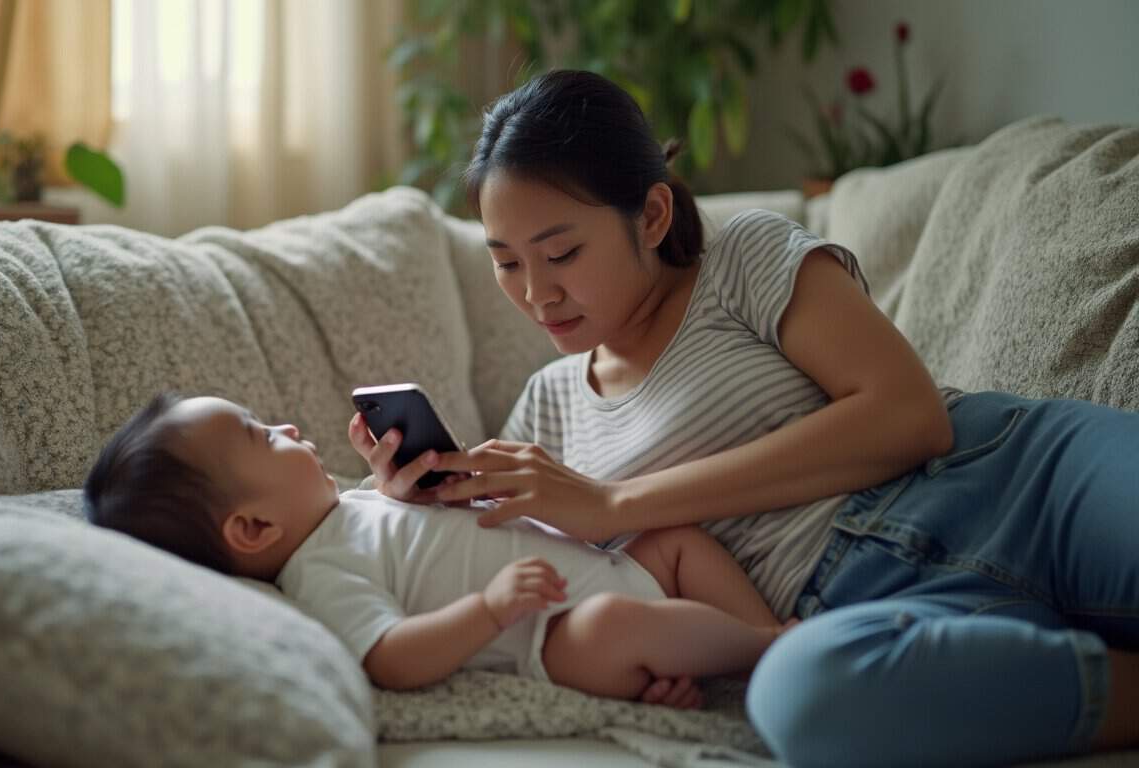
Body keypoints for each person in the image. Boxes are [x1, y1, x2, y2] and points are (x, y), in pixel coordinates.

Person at [346, 69, 1139, 766]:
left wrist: (615, 503)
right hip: (854, 613)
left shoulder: (742, 259)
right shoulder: (543, 414)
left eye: (562, 254)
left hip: (1011, 478)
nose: (536, 293)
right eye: (507, 261)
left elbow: (910, 417)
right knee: (801, 701)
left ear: (651, 216)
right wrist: (412, 496)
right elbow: (545, 601)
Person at [83, 392, 794, 708]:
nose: (289, 426)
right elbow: (391, 657)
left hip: (609, 566)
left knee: (674, 538)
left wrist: (416, 482)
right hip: (554, 635)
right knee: (615, 626)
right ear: (254, 531)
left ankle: (760, 634)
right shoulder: (321, 571)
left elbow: (405, 525)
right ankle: (773, 651)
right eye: (264, 435)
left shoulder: (357, 506)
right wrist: (488, 611)